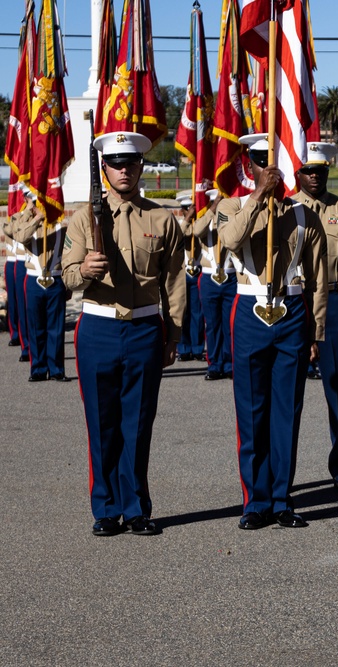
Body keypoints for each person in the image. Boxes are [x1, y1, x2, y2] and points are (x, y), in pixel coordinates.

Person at [62, 131, 186, 536]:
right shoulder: (83, 218)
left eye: (131, 163)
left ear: (141, 168)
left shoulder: (161, 218)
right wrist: (85, 271)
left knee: (138, 421)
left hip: (145, 328)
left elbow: (174, 283)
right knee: (102, 423)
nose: (124, 170)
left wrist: (174, 334)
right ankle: (105, 508)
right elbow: (65, 276)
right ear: (104, 170)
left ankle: (135, 508)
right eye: (115, 164)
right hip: (97, 326)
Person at [217, 133, 328, 530]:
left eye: (275, 161)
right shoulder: (231, 207)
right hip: (249, 309)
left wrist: (316, 333)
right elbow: (230, 240)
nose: (270, 170)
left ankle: (282, 498)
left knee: (287, 411)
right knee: (252, 411)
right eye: (261, 163)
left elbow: (316, 278)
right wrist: (257, 197)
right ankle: (255, 500)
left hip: (292, 309)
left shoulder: (304, 215)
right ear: (249, 167)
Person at [292, 141, 338, 493]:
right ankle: (280, 479)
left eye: (321, 171)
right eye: (309, 170)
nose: (315, 176)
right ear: (298, 173)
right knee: (288, 394)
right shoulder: (286, 210)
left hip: (335, 302)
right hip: (295, 302)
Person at [11, 201, 71, 382]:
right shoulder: (24, 221)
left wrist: (68, 284)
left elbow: (69, 255)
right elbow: (21, 237)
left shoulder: (62, 225)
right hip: (33, 279)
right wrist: (36, 217)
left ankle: (56, 369)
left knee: (56, 327)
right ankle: (38, 368)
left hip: (56, 277)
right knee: (36, 326)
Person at [192, 189, 235, 380]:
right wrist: (212, 208)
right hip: (209, 277)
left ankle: (229, 364)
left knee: (230, 324)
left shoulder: (232, 216)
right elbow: (196, 231)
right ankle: (215, 364)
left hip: (230, 275)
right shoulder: (206, 218)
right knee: (212, 324)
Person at [175, 192, 206, 363]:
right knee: (182, 314)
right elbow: (179, 236)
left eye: (193, 209)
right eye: (187, 209)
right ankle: (183, 348)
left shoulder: (201, 225)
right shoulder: (179, 224)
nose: (191, 212)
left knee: (197, 314)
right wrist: (187, 220)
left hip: (197, 272)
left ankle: (197, 348)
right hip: (182, 274)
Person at [2, 203, 30, 361]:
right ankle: (15, 333)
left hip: (27, 261)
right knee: (14, 301)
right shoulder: (14, 214)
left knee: (26, 304)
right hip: (14, 259)